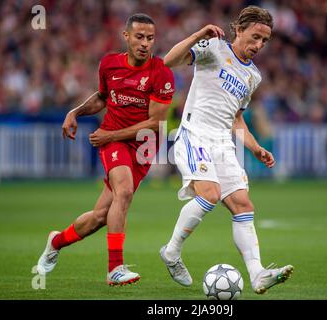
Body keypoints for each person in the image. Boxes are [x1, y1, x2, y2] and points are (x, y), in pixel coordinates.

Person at [159, 6, 293, 294]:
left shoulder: (253, 77)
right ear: (239, 30)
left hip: (222, 143)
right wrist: (198, 35)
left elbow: (236, 118)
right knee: (210, 194)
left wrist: (255, 148)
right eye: (255, 37)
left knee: (243, 205)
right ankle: (171, 252)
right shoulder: (214, 48)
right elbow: (168, 61)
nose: (258, 45)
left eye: (264, 41)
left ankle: (257, 274)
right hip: (194, 134)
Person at [36, 13, 175, 286]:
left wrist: (111, 133)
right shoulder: (110, 64)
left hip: (142, 147)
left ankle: (56, 241)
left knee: (100, 217)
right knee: (123, 192)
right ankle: (115, 268)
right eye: (139, 37)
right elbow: (102, 97)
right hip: (113, 142)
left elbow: (156, 123)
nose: (145, 43)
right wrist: (74, 112)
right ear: (126, 36)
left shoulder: (161, 73)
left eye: (150, 38)